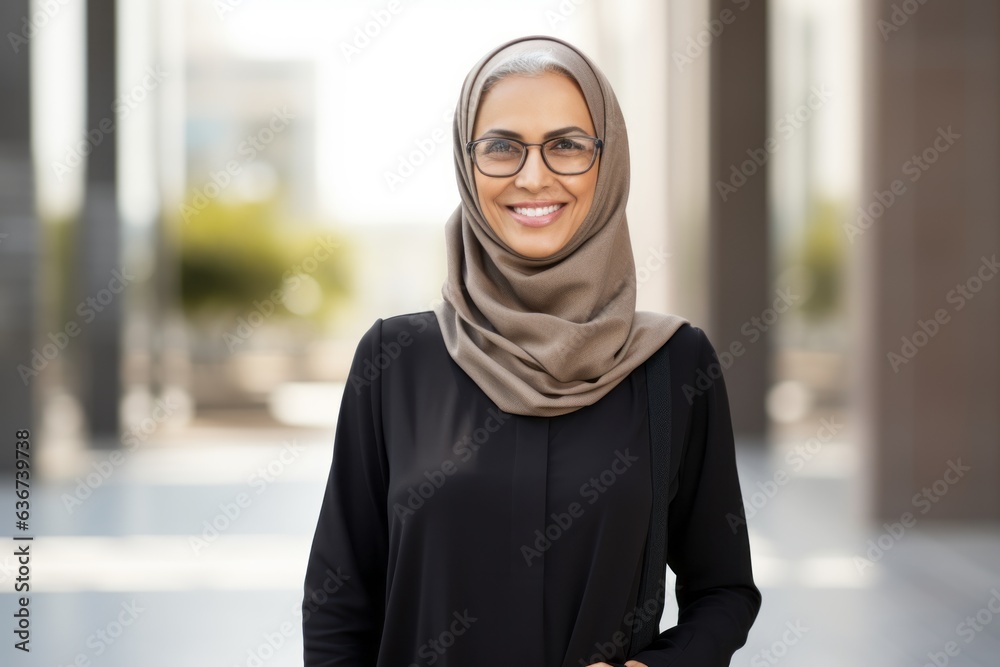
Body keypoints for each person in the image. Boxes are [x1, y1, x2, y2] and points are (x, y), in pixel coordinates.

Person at [302, 35, 761, 667]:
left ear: (609, 163)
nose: (533, 176)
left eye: (568, 145)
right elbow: (338, 598)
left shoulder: (674, 363)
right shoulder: (395, 360)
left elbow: (724, 590)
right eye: (501, 147)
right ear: (468, 163)